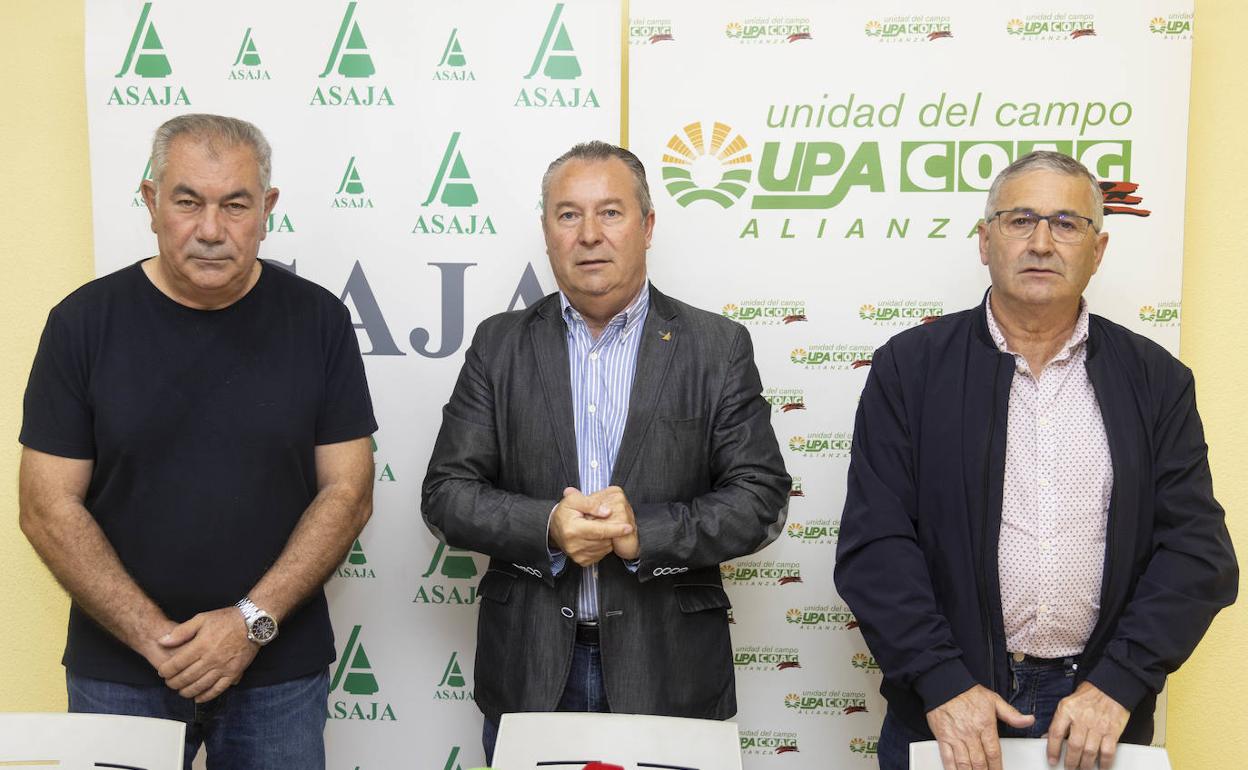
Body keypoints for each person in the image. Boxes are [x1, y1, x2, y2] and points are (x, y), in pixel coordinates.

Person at [835, 151, 1237, 770]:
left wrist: (1119, 683)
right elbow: (875, 545)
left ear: (1098, 250)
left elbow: (1196, 553)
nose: (1042, 242)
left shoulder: (1157, 381)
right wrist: (942, 681)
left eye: (1067, 223)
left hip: (1097, 712)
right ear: (985, 240)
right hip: (951, 708)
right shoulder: (909, 369)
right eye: (1020, 220)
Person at [18, 114, 377, 769]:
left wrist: (248, 624)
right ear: (151, 201)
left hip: (279, 672)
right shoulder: (81, 325)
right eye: (187, 201)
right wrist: (156, 640)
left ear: (266, 210)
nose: (211, 229)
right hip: (118, 674)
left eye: (235, 204)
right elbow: (47, 506)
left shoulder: (319, 320)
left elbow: (348, 493)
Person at [422, 140, 791, 763]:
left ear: (647, 226)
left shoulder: (716, 345)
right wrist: (547, 525)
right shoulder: (499, 344)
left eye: (611, 213)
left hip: (671, 670)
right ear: (547, 233)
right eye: (568, 215)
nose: (589, 234)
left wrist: (640, 530)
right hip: (531, 671)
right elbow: (446, 494)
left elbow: (761, 500)